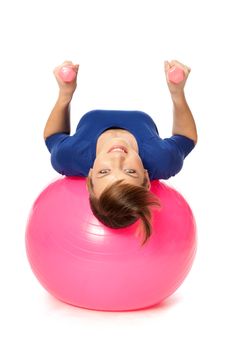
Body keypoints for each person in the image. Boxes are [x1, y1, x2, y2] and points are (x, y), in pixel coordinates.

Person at [44, 60, 197, 245]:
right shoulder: (161, 159)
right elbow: (186, 137)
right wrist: (177, 92)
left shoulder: (71, 156)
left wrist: (65, 93)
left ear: (90, 176)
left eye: (104, 172)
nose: (117, 159)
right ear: (147, 179)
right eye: (130, 171)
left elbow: (52, 136)